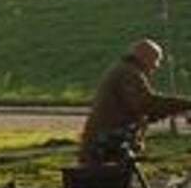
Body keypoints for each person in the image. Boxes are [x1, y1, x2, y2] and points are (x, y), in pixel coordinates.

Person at [78, 38, 191, 166]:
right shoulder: (129, 73)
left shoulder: (126, 70)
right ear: (144, 56)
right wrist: (185, 104)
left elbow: (147, 111)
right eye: (156, 60)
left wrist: (179, 108)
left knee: (122, 179)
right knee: (113, 181)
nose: (157, 66)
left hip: (106, 141)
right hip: (106, 143)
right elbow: (147, 105)